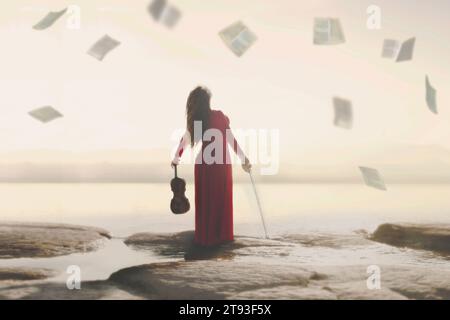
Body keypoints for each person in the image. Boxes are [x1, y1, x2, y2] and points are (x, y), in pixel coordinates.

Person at [171, 86, 251, 246]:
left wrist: (176, 158)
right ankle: (222, 237)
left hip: (204, 166)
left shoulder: (198, 120)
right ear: (208, 101)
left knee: (205, 202)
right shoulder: (219, 117)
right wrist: (243, 159)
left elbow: (185, 140)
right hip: (221, 166)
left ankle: (205, 237)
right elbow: (231, 139)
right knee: (221, 201)